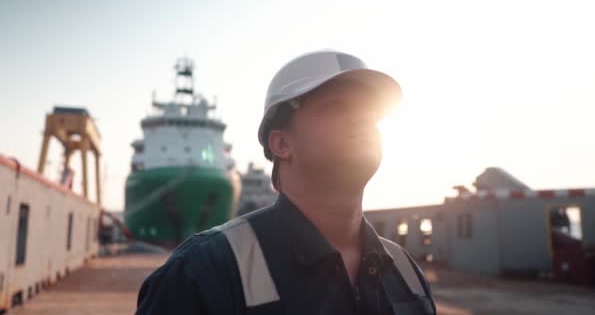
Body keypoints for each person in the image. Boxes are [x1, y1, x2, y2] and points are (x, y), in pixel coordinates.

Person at [135, 50, 436, 314]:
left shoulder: (407, 272)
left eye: (369, 113)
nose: (361, 121)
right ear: (280, 143)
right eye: (336, 107)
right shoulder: (202, 272)